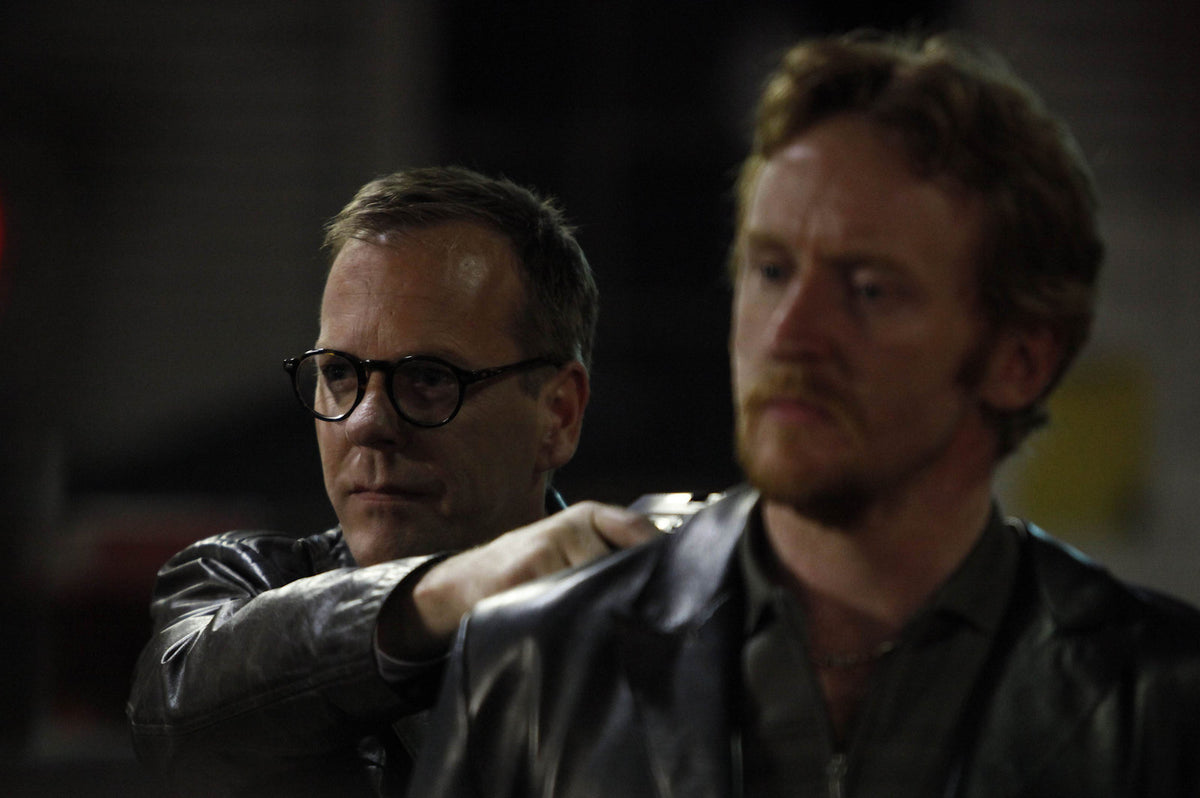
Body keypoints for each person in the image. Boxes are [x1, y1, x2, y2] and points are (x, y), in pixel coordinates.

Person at [408, 33, 1200, 797]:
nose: (789, 333)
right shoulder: (533, 665)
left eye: (870, 289)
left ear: (1019, 359)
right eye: (772, 270)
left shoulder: (1163, 700)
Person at [126, 166, 657, 797]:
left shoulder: (657, 626)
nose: (367, 423)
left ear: (558, 415)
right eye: (339, 374)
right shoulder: (243, 582)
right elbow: (178, 713)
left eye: (429, 378)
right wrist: (453, 592)